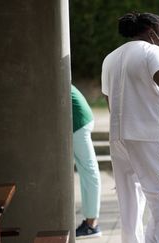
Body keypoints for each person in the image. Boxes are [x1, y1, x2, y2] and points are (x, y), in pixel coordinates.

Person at [101, 12, 159, 243]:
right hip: (150, 134)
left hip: (119, 136)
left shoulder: (110, 58)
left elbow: (108, 100)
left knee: (129, 202)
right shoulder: (152, 52)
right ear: (152, 33)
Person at [71, 84, 102, 239]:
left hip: (79, 123)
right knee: (89, 171)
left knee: (89, 171)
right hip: (79, 120)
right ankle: (91, 223)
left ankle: (92, 225)